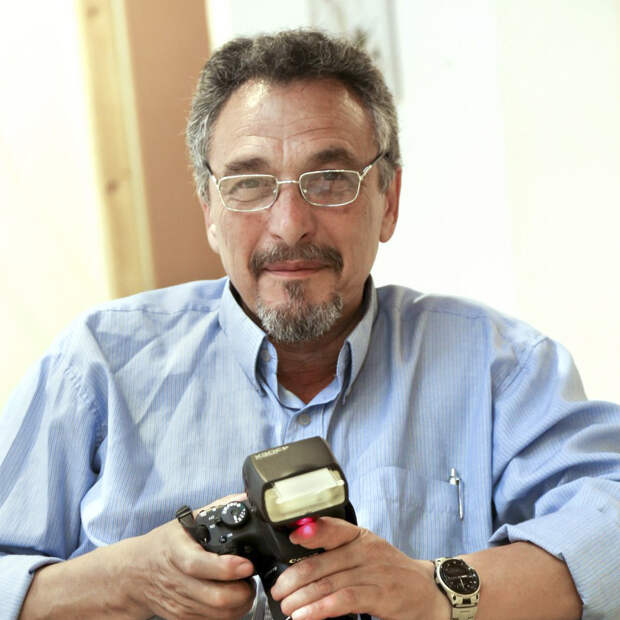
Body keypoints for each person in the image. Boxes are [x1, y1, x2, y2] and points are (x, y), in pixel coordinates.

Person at [1, 29, 619, 620]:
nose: (290, 224)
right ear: (209, 209)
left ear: (388, 200)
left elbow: (610, 524)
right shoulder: (98, 367)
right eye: (249, 184)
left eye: (329, 180)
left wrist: (434, 588)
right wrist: (124, 582)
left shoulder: (499, 367)